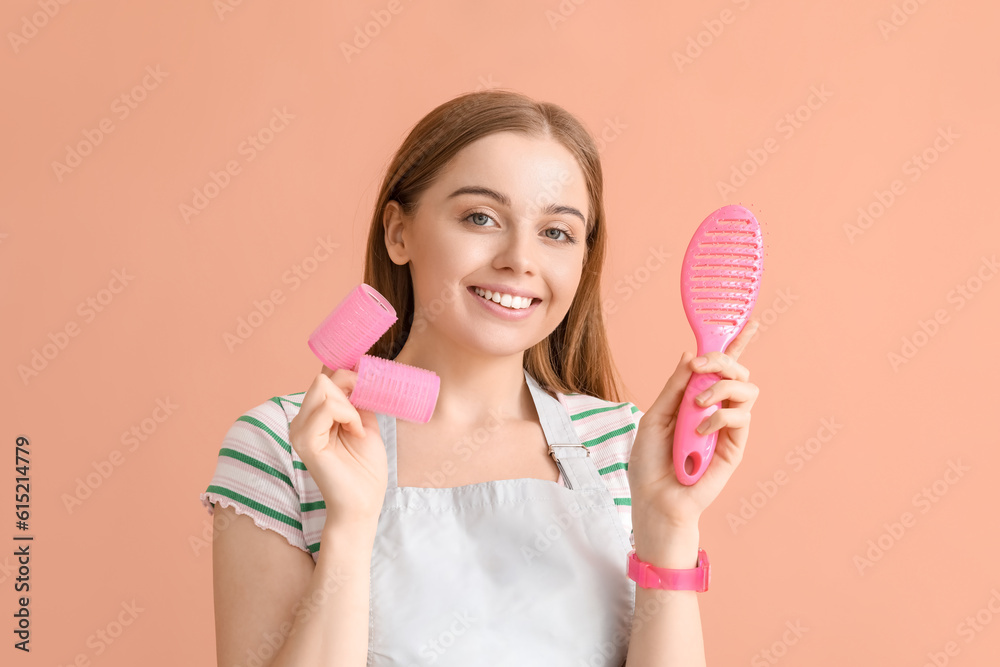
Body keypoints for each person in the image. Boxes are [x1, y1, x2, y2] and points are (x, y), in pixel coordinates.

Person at [200, 89, 760, 667]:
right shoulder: (285, 445)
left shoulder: (624, 445)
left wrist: (668, 525)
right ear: (398, 233)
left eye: (557, 232)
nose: (520, 258)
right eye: (481, 218)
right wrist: (350, 527)